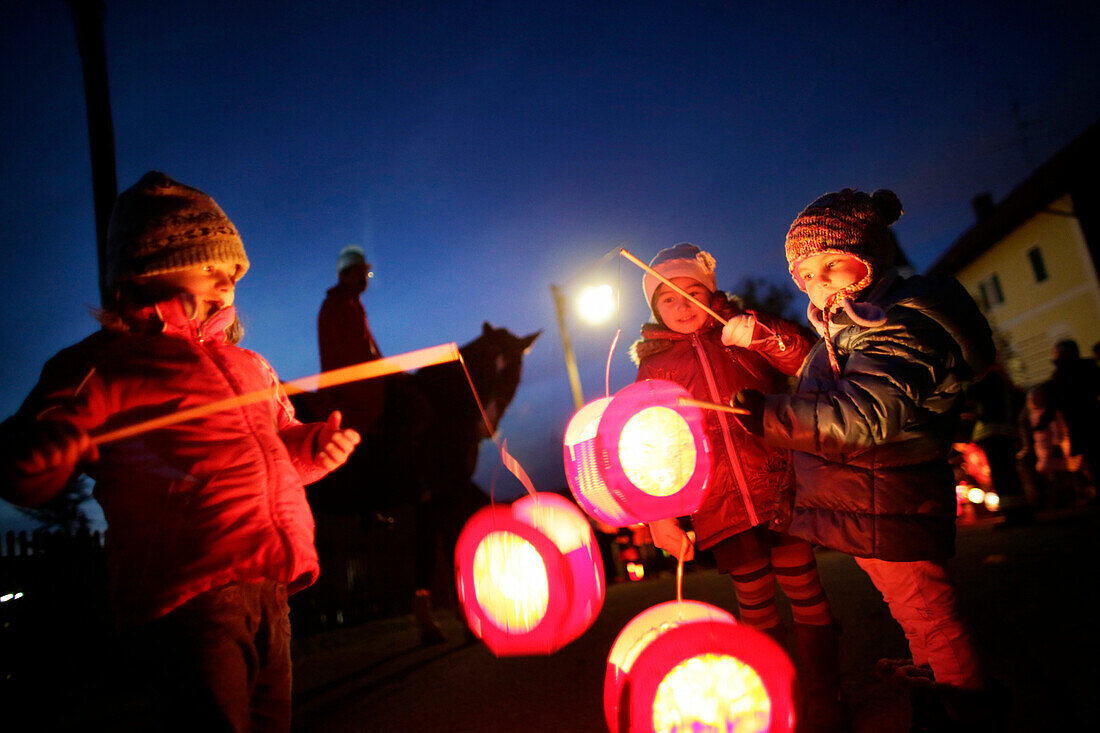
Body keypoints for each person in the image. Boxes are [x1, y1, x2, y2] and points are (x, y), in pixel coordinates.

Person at [0, 171, 360, 732]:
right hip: (188, 597)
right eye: (208, 266)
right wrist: (38, 460)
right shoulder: (107, 364)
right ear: (145, 271)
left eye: (232, 273)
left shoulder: (250, 366)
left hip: (269, 585)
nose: (225, 282)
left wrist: (314, 446)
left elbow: (279, 444)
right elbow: (33, 442)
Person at [732, 189, 1001, 730]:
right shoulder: (857, 325)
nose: (818, 282)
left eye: (833, 264)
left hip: (891, 491)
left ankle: (961, 704)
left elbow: (863, 416)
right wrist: (764, 342)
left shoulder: (900, 327)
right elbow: (826, 376)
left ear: (870, 258)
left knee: (928, 611)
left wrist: (771, 417)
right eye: (805, 273)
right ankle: (939, 688)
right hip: (873, 496)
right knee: (914, 612)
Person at [630, 243, 847, 733]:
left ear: (711, 292)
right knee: (755, 603)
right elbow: (649, 447)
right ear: (654, 310)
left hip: (779, 484)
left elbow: (805, 361)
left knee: (804, 588)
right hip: (718, 503)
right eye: (667, 299)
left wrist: (762, 337)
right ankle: (776, 696)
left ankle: (823, 693)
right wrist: (661, 517)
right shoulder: (651, 369)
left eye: (691, 292)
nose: (682, 305)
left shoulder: (743, 330)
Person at [317, 245, 385, 438]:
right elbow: (352, 353)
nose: (365, 279)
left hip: (360, 389)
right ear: (345, 275)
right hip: (351, 397)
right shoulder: (338, 305)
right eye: (360, 273)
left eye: (366, 273)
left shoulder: (352, 304)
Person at [1040, 339, 1100, 492]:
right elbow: (1054, 403)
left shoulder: (1064, 374)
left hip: (1084, 420)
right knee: (1091, 456)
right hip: (1085, 420)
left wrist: (1042, 422)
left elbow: (1053, 403)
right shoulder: (1084, 368)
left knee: (1092, 456)